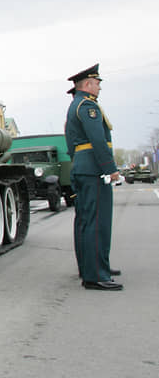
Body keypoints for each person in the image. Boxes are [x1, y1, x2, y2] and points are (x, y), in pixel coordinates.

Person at [64, 64, 123, 291]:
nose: (99, 87)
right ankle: (96, 274)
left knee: (85, 221)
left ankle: (92, 267)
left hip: (82, 167)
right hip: (93, 170)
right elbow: (98, 140)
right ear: (87, 84)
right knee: (97, 222)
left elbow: (71, 144)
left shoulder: (75, 106)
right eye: (97, 83)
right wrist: (110, 168)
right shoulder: (87, 106)